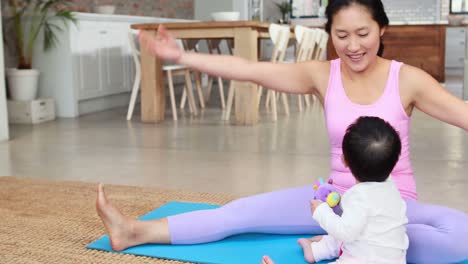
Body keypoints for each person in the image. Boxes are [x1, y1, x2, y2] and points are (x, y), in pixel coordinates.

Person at [96, 0, 468, 263]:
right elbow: (250, 69)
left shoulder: (407, 79)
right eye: (341, 35)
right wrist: (182, 57)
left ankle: (344, 242)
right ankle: (133, 232)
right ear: (329, 34)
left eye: (362, 33)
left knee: (460, 236)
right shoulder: (323, 74)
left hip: (393, 204)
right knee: (236, 214)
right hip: (334, 199)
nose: (353, 46)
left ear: (381, 29)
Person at [268, 116, 409, 264]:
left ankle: (318, 248)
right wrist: (340, 208)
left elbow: (346, 233)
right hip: (395, 260)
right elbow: (365, 218)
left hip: (361, 259)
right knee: (349, 235)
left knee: (342, 234)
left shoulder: (358, 196)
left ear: (344, 160)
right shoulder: (391, 187)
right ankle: (315, 250)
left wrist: (321, 211)